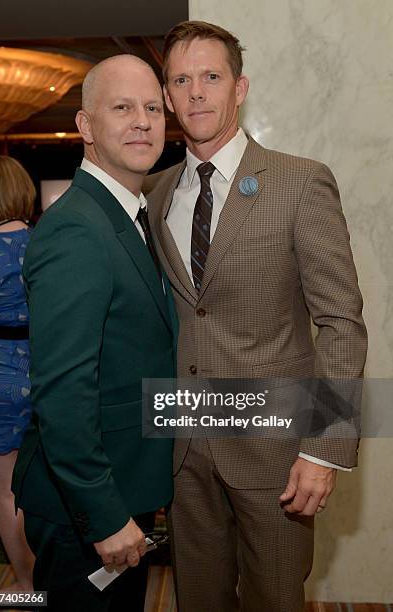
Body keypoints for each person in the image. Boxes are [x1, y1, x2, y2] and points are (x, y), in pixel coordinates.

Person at [144, 21, 367, 612]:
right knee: (198, 599)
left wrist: (323, 448)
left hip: (276, 453)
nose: (196, 93)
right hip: (186, 448)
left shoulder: (299, 182)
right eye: (181, 80)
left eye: (211, 77)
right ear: (167, 97)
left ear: (239, 89)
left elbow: (341, 322)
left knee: (274, 598)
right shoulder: (157, 192)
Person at [12, 55, 177, 612]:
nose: (143, 121)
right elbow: (62, 394)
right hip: (86, 512)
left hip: (122, 490)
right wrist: (105, 516)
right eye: (123, 107)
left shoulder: (127, 214)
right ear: (85, 127)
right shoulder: (78, 229)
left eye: (153, 107)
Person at [0, 155, 35, 593]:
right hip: (39, 378)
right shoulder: (45, 244)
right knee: (27, 486)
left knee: (5, 493)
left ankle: (26, 583)